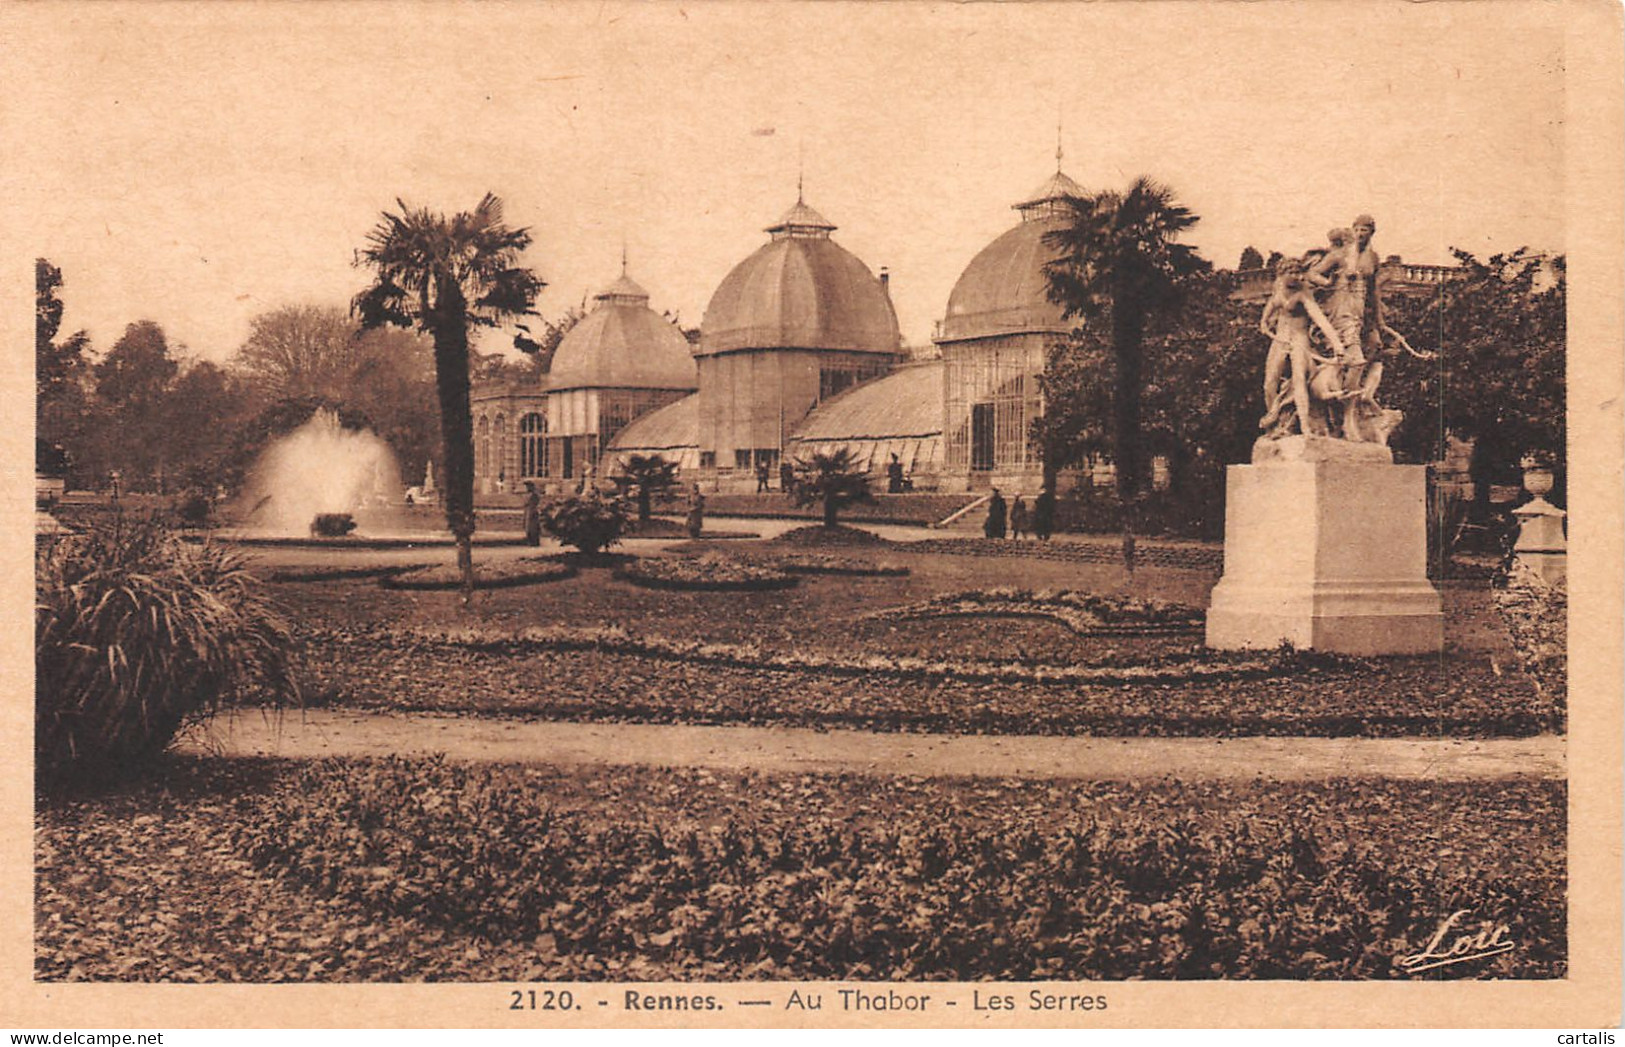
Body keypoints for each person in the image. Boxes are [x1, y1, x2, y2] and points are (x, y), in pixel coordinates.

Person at [1257, 256, 1350, 437]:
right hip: (1280, 340)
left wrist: (1337, 344)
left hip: (1299, 340)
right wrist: (1265, 325)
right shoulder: (1278, 289)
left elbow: (1320, 319)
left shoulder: (1303, 294)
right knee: (1269, 383)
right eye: (1290, 272)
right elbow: (1265, 318)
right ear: (1282, 274)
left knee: (1299, 381)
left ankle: (1305, 426)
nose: (1295, 276)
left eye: (1297, 272)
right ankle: (1275, 426)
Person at [522, 482, 542, 547]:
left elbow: (534, 503)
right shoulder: (528, 494)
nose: (527, 488)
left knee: (533, 528)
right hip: (528, 511)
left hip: (533, 512)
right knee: (528, 528)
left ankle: (534, 542)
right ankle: (530, 542)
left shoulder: (535, 495)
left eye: (528, 486)